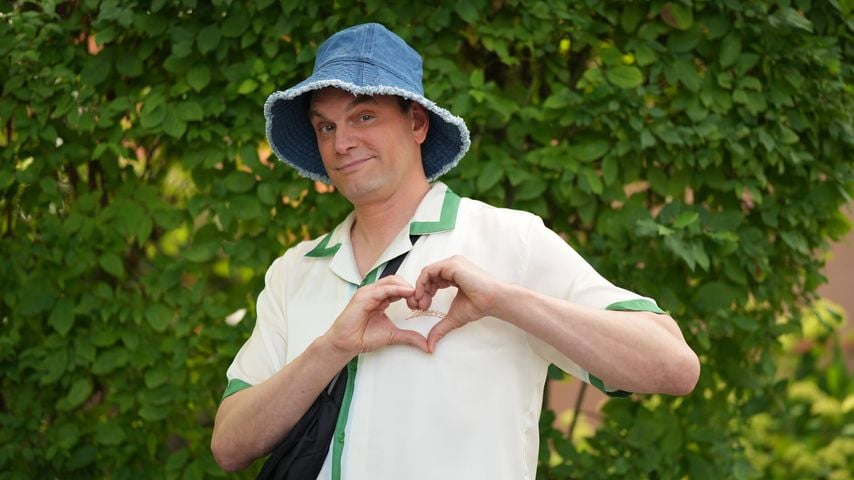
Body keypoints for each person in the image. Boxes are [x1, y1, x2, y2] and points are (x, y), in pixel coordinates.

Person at [211, 23, 699, 479]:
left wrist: (503, 301)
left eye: (364, 116)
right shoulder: (294, 271)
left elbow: (674, 367)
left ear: (417, 123)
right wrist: (332, 347)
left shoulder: (509, 239)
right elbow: (229, 446)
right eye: (326, 127)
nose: (343, 143)